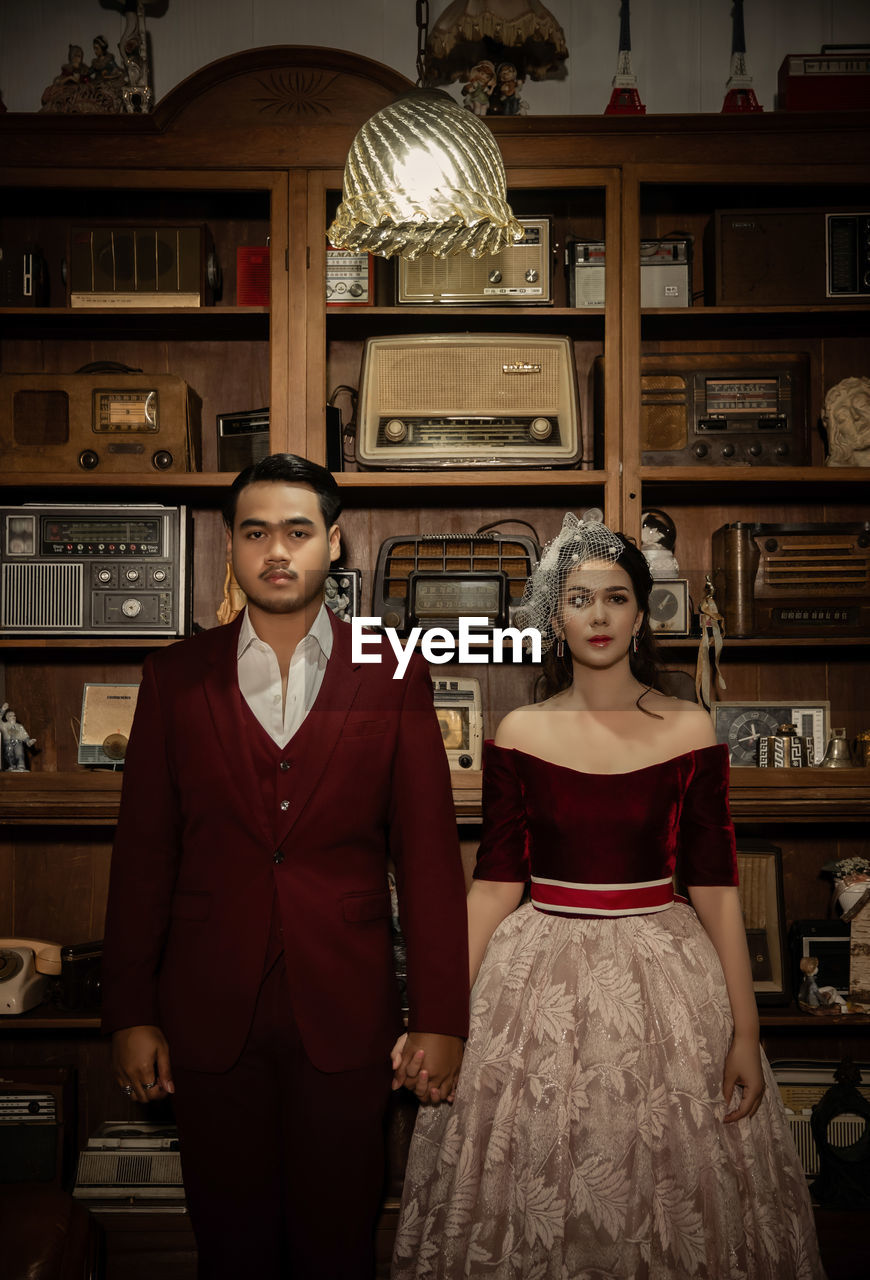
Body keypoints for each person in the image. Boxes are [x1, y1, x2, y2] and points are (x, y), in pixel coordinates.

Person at [392, 513, 823, 1278]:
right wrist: (433, 1014)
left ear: (640, 611)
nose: (597, 614)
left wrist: (747, 1035)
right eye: (579, 598)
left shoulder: (691, 728)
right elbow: (493, 887)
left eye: (616, 597)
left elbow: (718, 888)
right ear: (554, 615)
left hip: (666, 979)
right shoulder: (518, 729)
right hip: (535, 981)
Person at [101, 453, 469, 1280]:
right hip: (204, 1011)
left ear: (333, 544)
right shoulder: (173, 676)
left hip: (347, 1010)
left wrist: (443, 1017)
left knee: (336, 1247)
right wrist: (129, 1011)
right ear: (230, 545)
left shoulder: (395, 670)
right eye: (256, 531)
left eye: (298, 532)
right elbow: (143, 857)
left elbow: (429, 857)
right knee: (228, 1248)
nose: (277, 550)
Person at [0, 704, 36, 771]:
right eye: (11, 716)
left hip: (18, 743)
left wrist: (29, 741)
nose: (13, 717)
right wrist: (2, 710)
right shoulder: (4, 725)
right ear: (7, 718)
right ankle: (11, 766)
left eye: (14, 715)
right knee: (9, 754)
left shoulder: (19, 726)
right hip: (8, 744)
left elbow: (24, 735)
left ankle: (21, 766)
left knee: (19, 753)